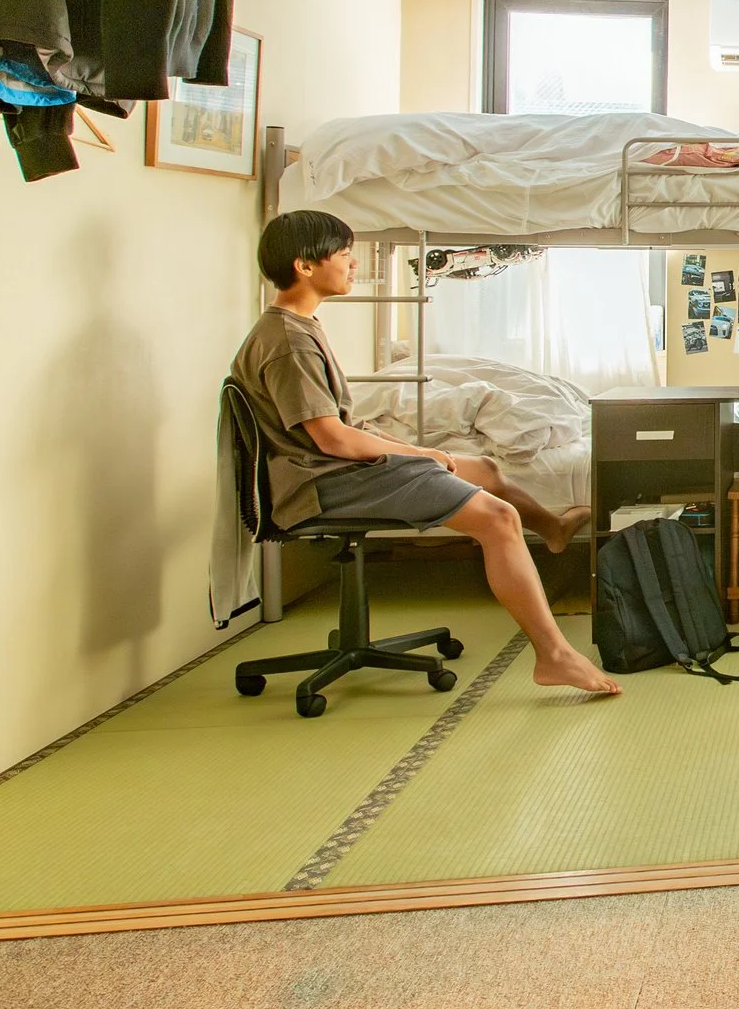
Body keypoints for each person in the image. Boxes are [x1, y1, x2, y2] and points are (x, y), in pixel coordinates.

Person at [230, 210, 621, 696]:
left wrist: (414, 449)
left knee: (485, 468)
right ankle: (554, 656)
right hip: (323, 482)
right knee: (497, 519)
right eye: (346, 255)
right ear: (304, 266)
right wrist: (422, 458)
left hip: (330, 469)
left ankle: (553, 529)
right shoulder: (290, 343)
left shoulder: (298, 326)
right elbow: (332, 440)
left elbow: (344, 427)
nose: (354, 264)